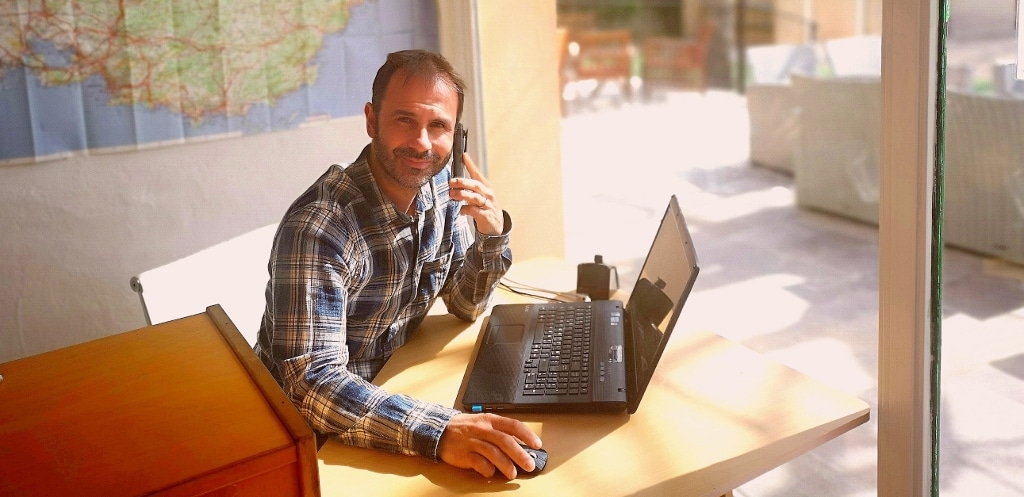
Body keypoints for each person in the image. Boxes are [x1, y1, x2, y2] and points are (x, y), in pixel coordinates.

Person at [253, 50, 542, 480]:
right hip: (306, 442)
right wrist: (440, 431)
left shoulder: (442, 185)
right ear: (372, 121)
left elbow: (465, 304)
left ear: (457, 134)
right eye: (404, 120)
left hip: (389, 391)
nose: (422, 144)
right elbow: (313, 385)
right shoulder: (320, 228)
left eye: (439, 126)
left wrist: (490, 236)